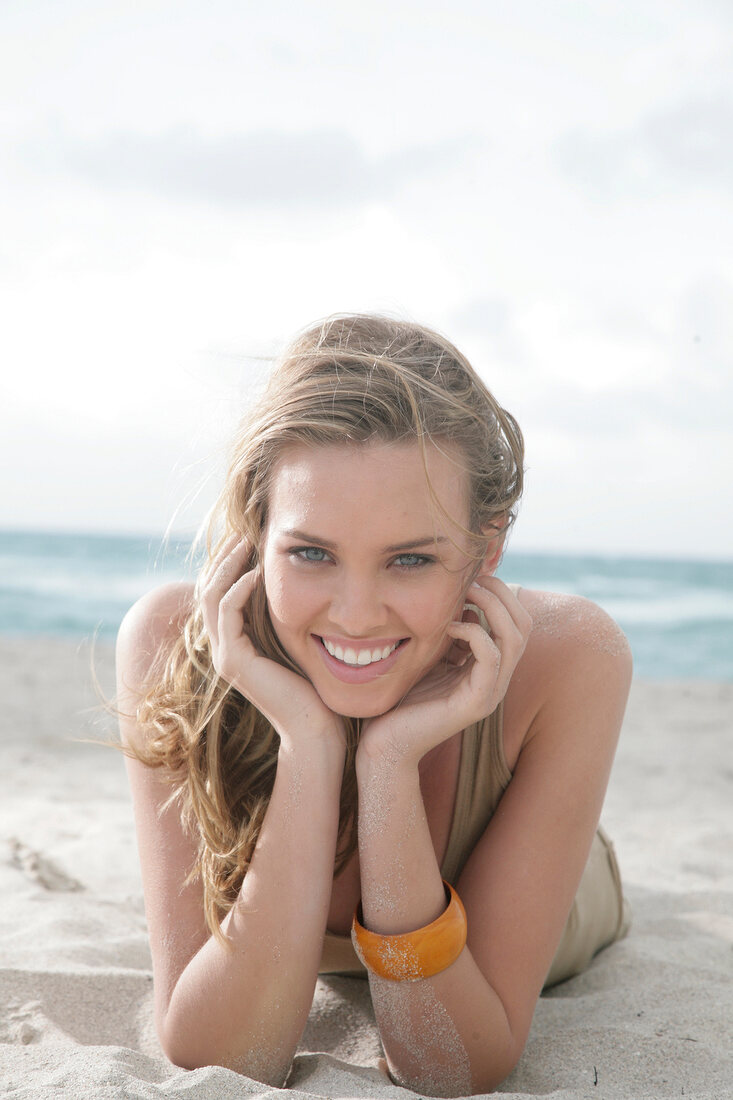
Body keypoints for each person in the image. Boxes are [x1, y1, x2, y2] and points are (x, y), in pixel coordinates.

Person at [116, 314, 632, 1096]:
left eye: (411, 560)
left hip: (563, 894)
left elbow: (453, 1067)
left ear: (485, 551)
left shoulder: (569, 657)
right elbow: (222, 1058)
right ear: (255, 534)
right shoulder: (174, 642)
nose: (356, 616)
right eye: (311, 552)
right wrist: (308, 745)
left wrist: (388, 766)